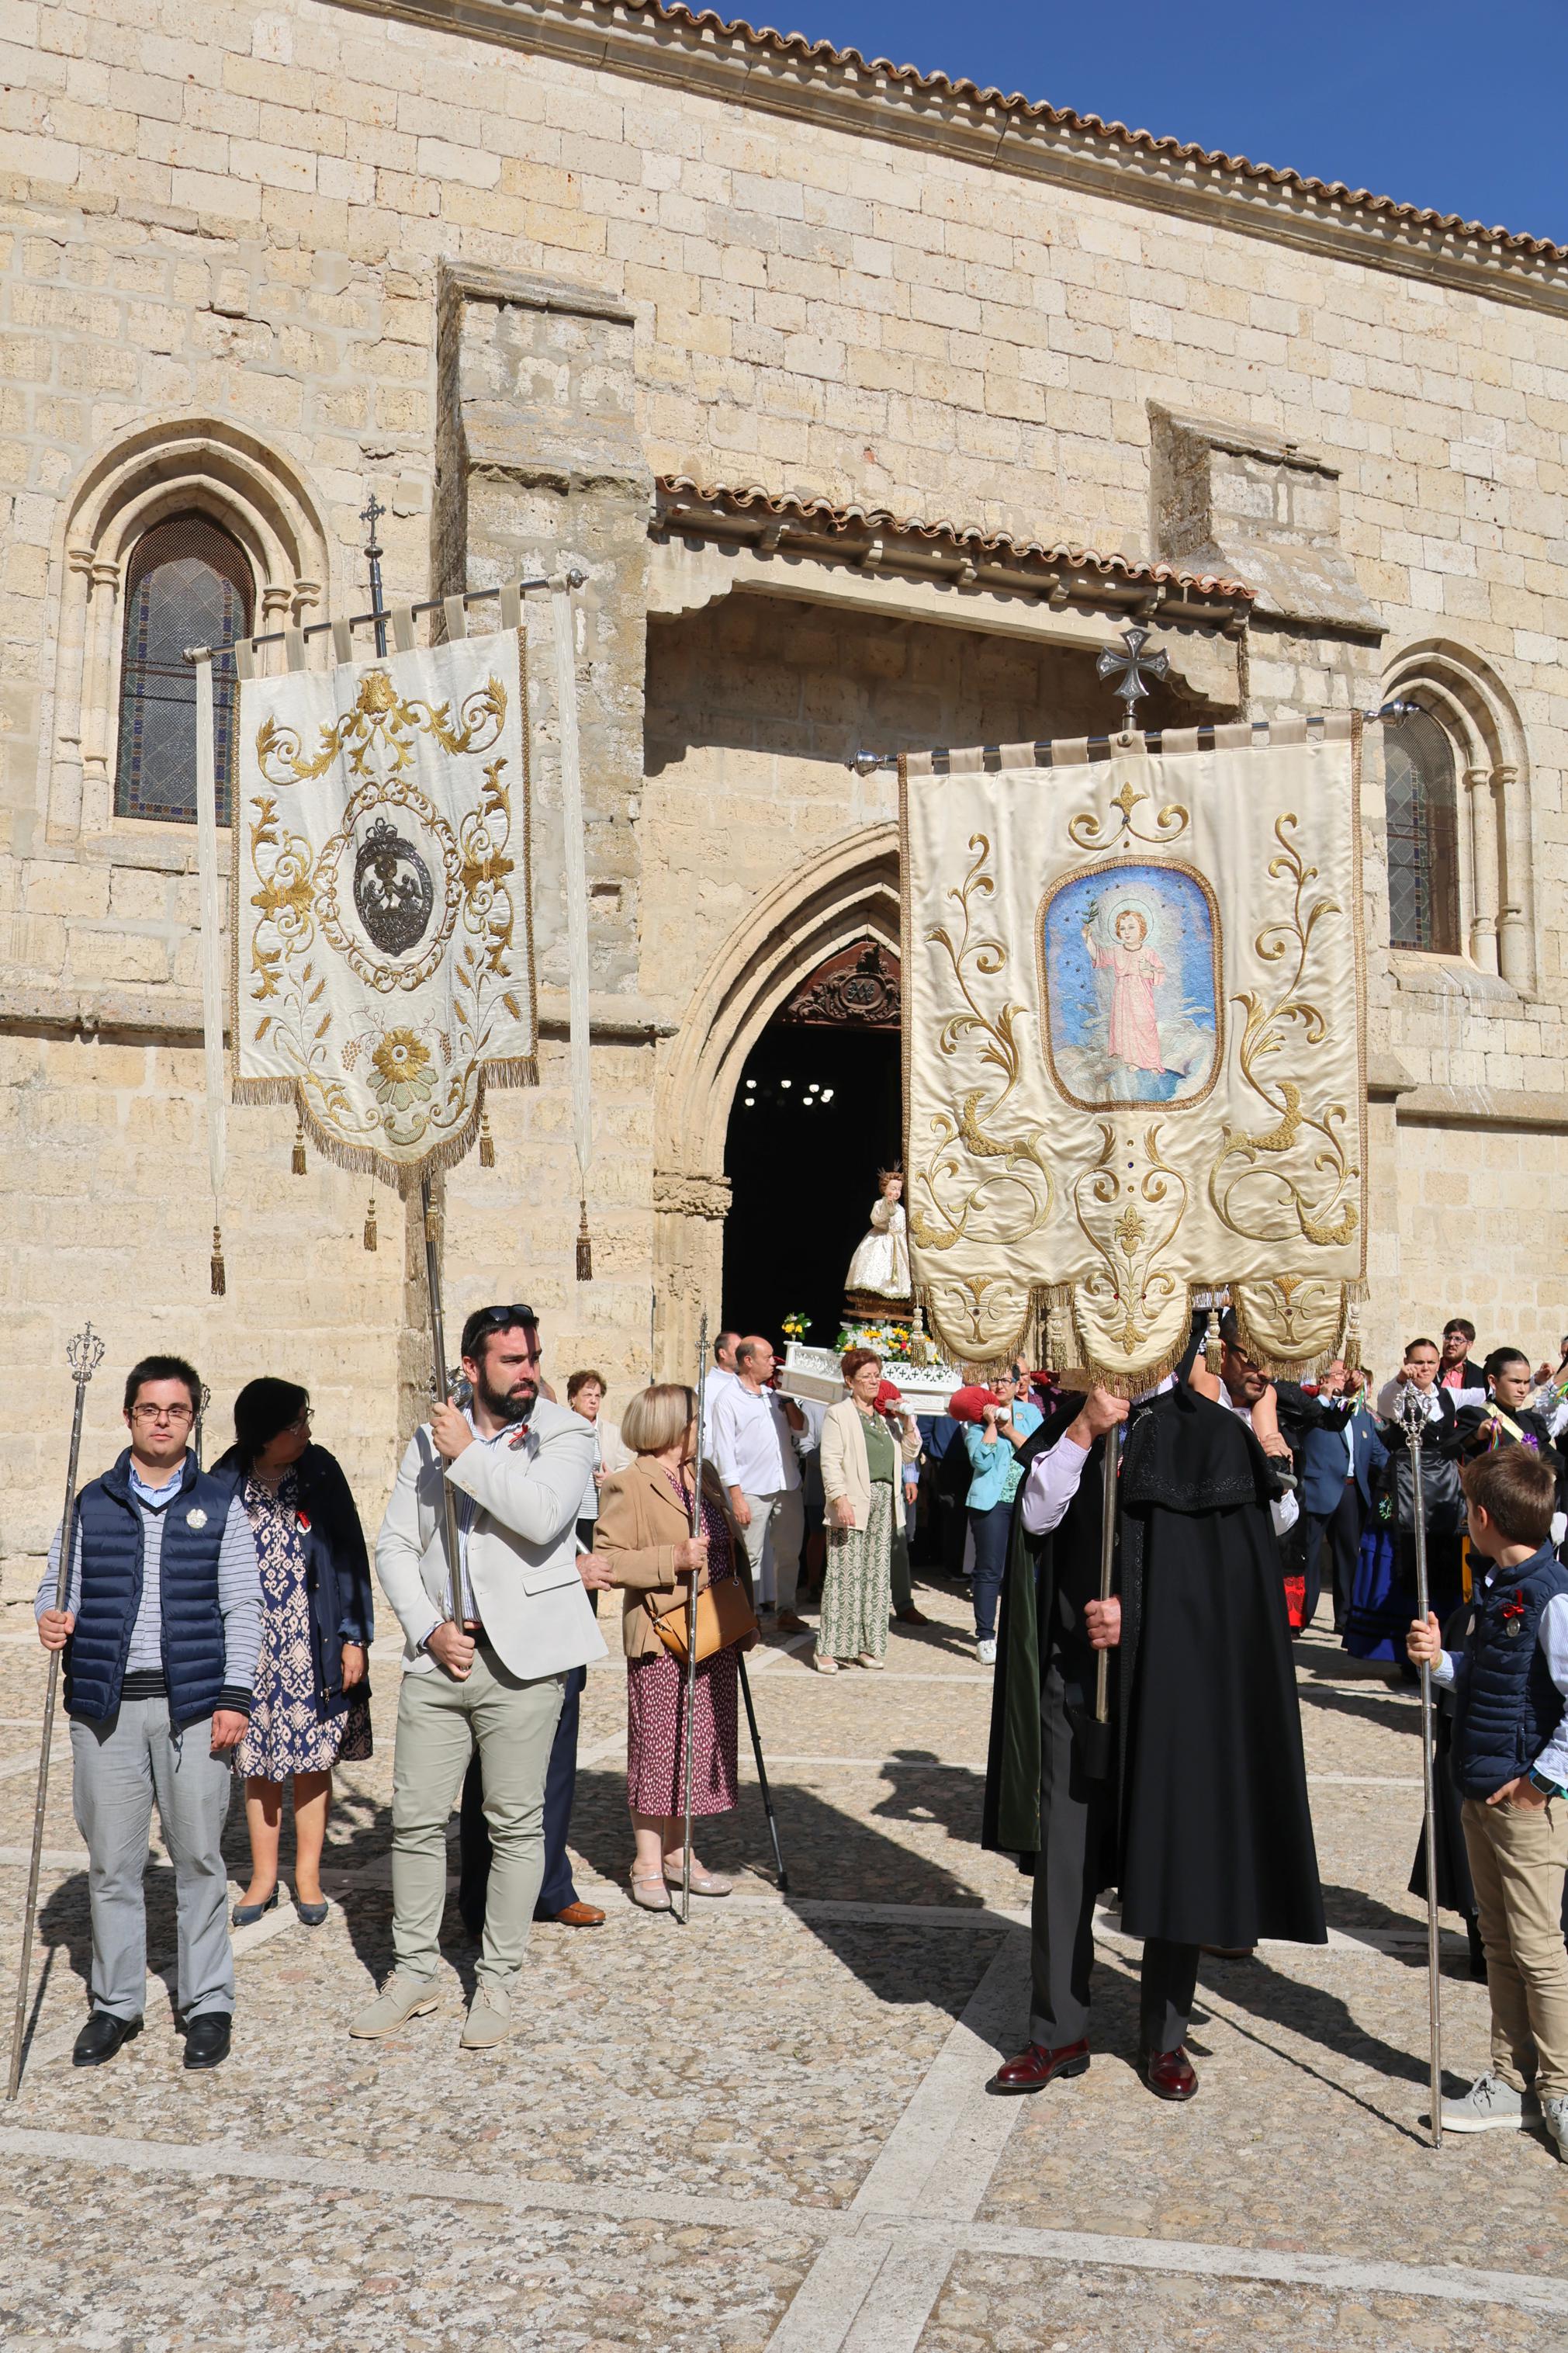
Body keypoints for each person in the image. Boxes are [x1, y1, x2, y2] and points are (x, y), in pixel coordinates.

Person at [984, 1336, 1324, 2104]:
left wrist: (1133, 1620)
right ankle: (1055, 2030)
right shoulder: (1071, 1422)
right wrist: (1082, 1433)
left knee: (1176, 1850)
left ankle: (1164, 2037)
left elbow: (1241, 1571)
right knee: (1065, 1861)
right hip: (1074, 1682)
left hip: (1174, 1690)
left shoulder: (1212, 1432)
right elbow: (1035, 1519)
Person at [355, 1303, 607, 2050]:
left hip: (525, 1661)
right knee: (416, 1819)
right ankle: (414, 1972)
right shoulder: (428, 1438)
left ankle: (497, 1979)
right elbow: (396, 1543)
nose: (527, 1372)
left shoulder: (565, 1431)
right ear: (472, 1368)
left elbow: (541, 1515)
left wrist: (467, 1453)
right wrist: (427, 1627)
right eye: (510, 1360)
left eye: (531, 1357)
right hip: (441, 1658)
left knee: (514, 1822)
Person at [35, 1353, 262, 2072]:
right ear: (129, 1416)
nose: (163, 1421)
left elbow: (244, 1606)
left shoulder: (220, 1503)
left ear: (194, 1418)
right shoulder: (92, 1501)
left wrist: (235, 1698)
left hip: (196, 1708)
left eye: (177, 1410)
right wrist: (51, 1617)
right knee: (113, 1864)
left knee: (198, 1858)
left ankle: (208, 2003)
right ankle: (116, 2004)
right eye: (149, 1409)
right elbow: (55, 1581)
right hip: (106, 1708)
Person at [1408, 1447, 1568, 2155]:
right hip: (1482, 1790)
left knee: (1537, 1951)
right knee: (1498, 1943)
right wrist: (1441, 1662)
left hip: (1524, 1803)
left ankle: (1560, 2089)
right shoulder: (1498, 1586)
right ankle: (1511, 2081)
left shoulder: (1550, 1595)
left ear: (1480, 1517)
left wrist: (1540, 1784)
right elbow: (1498, 1678)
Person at [459, 1348, 623, 1942]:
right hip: (495, 1635)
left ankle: (549, 1887)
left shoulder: (562, 1459)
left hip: (555, 1636)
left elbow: (563, 1534)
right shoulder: (486, 1467)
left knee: (554, 1768)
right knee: (489, 1776)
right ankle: (480, 1900)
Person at [209, 1380, 372, 1930]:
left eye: (306, 1419)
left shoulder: (320, 1470)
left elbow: (350, 1555)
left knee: (312, 1758)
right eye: (294, 1424)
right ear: (262, 1433)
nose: (306, 1431)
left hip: (313, 1640)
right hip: (250, 1647)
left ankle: (306, 1875)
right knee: (256, 1762)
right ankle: (261, 1876)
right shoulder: (224, 1480)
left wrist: (355, 1636)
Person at [594, 1383, 753, 1908]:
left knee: (697, 1747)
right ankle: (645, 1860)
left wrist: (745, 1616)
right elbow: (607, 1562)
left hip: (714, 1633)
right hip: (664, 1636)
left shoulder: (699, 1475)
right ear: (667, 1425)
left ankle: (679, 1854)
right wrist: (671, 1560)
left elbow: (729, 1547)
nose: (700, 1431)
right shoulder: (631, 1483)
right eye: (692, 1422)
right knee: (659, 1747)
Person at [817, 1347, 919, 1672]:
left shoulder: (884, 1420)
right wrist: (839, 1499)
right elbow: (829, 1461)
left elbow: (907, 1455)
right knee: (844, 1577)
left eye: (877, 1375)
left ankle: (867, 1645)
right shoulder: (839, 1414)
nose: (874, 1382)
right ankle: (829, 1649)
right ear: (850, 1381)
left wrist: (908, 1423)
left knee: (876, 1578)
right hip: (853, 1501)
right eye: (867, 1377)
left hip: (885, 1503)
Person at [709, 1335, 811, 1634]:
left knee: (789, 1552)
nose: (773, 1362)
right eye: (768, 1357)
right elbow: (723, 1451)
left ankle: (787, 1610)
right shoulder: (728, 1398)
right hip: (752, 1489)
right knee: (749, 1555)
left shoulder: (775, 1394)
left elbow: (802, 1430)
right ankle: (745, 1616)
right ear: (748, 1361)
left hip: (787, 1484)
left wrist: (788, 1397)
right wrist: (736, 1496)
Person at [1296, 1362, 1387, 1633]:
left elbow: (1377, 1453)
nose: (1344, 1379)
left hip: (1351, 1491)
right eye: (1339, 1375)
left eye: (1346, 1375)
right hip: (1318, 1488)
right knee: (1309, 1555)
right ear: (1323, 1378)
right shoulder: (1312, 1405)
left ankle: (1346, 1619)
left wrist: (1404, 1470)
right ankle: (1301, 1617)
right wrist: (1326, 1396)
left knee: (1349, 1555)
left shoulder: (1361, 1414)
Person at [962, 1365, 1044, 1664]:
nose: (999, 1386)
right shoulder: (977, 1423)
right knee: (989, 1570)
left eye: (1005, 1380)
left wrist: (1009, 1429)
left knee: (1024, 1570)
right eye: (994, 1380)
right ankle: (985, 1636)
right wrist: (992, 1425)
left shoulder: (1031, 1414)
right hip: (991, 1503)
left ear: (1016, 1384)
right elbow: (980, 1462)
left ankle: (1021, 1633)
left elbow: (1038, 1451)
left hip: (1026, 1500)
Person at [566, 1368, 632, 1554]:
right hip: (570, 1514)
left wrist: (612, 1478)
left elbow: (625, 1468)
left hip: (599, 1514)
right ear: (573, 1398)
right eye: (587, 1395)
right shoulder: (563, 1429)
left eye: (597, 1396)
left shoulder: (611, 1432)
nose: (593, 1400)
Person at [844, 1169, 911, 1303]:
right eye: (893, 1188)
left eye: (899, 1189)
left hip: (897, 1245)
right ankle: (872, 1298)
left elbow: (903, 1228)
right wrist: (887, 1212)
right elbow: (877, 1220)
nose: (896, 1192)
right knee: (876, 1269)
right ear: (884, 1188)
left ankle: (889, 1300)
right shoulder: (880, 1204)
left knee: (896, 1274)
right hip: (880, 1241)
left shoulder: (901, 1209)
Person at [699, 1329, 741, 1455]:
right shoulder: (706, 1387)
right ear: (723, 1353)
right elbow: (706, 1434)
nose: (743, 1355)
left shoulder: (746, 1384)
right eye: (738, 1350)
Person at [1438, 1316, 1487, 1394]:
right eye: (1448, 1337)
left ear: (1469, 1345)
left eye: (1458, 1339)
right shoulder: (1431, 1371)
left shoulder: (1480, 1377)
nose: (1451, 1343)